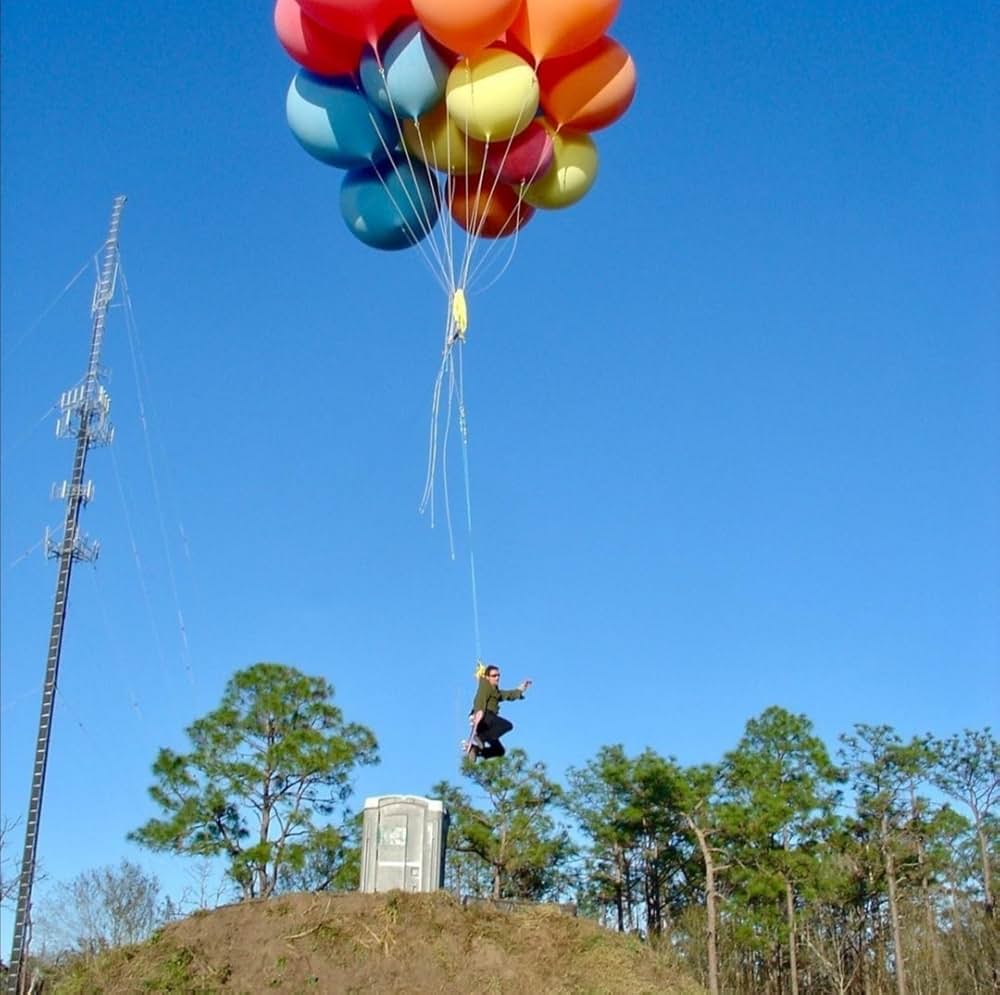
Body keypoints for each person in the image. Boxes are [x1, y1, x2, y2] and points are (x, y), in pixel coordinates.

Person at [463, 663, 531, 760]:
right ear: (487, 677)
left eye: (498, 675)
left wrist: (520, 689)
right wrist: (478, 712)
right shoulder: (485, 686)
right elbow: (479, 698)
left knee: (499, 750)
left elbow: (507, 694)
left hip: (486, 725)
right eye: (494, 676)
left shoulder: (495, 691)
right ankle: (480, 738)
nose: (497, 678)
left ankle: (476, 749)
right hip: (484, 717)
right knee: (507, 725)